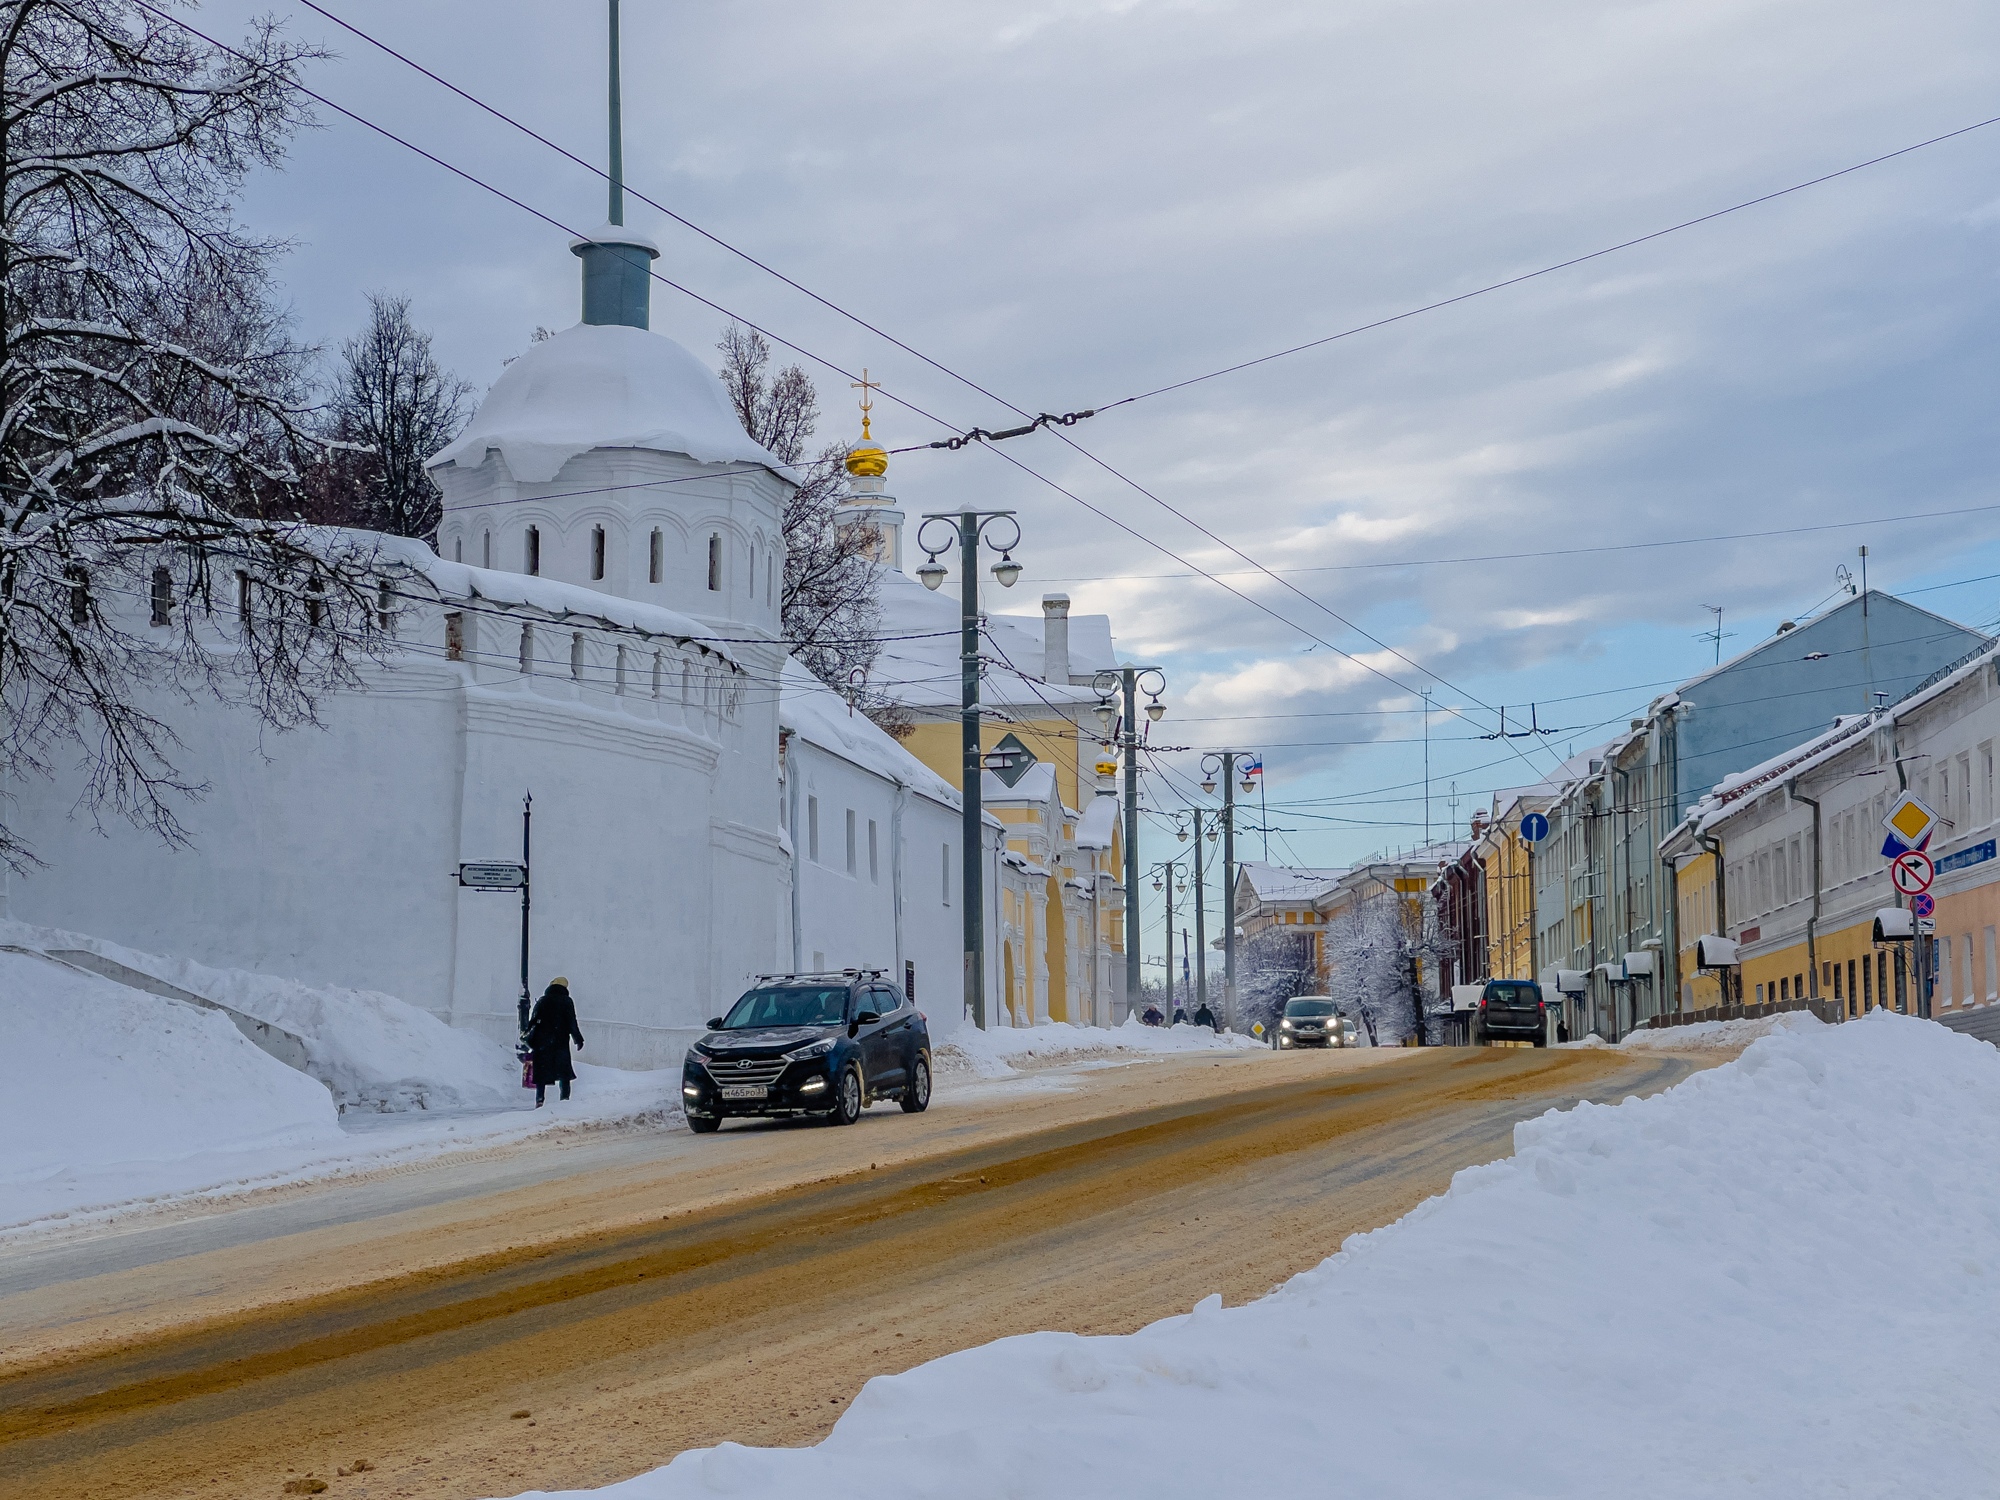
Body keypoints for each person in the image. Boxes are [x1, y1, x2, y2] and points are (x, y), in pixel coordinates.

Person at [526, 976, 584, 1106]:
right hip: (560, 1042)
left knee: (542, 1072)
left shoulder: (542, 1001)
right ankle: (564, 1099)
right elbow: (571, 1022)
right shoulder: (567, 1001)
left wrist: (528, 1036)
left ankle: (540, 1099)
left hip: (542, 1043)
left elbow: (533, 1021)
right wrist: (578, 1039)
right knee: (564, 1073)